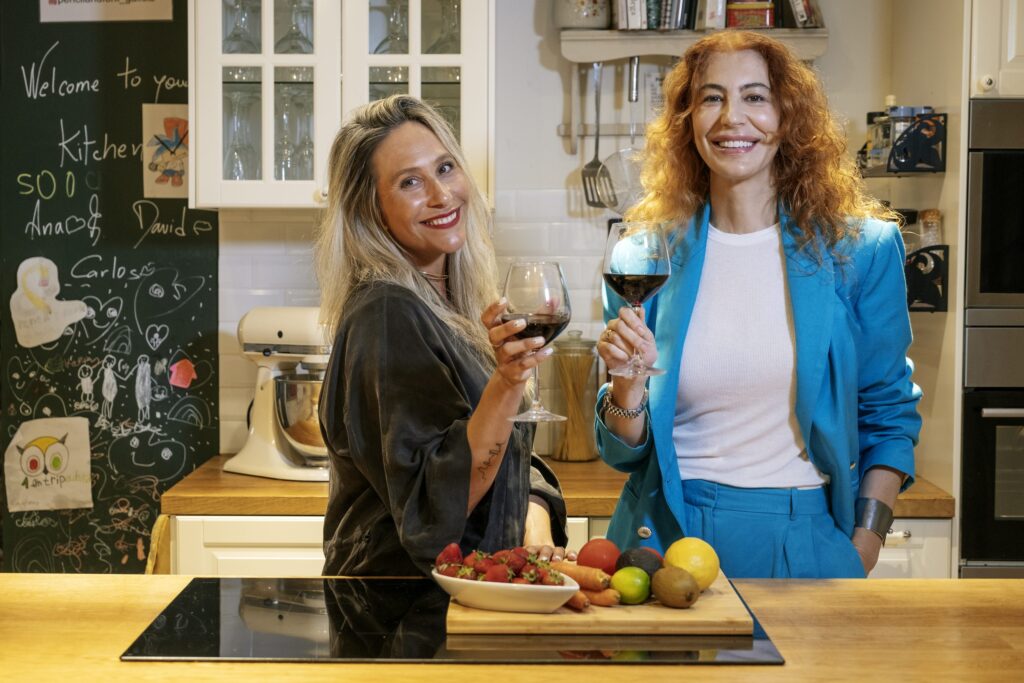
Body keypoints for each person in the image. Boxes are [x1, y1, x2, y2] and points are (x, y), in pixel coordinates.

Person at [595, 31, 922, 579]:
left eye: (755, 96)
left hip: (803, 537)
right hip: (665, 538)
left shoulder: (860, 252)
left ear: (787, 115)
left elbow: (888, 415)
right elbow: (624, 453)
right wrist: (626, 389)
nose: (731, 118)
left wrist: (864, 544)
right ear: (688, 120)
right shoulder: (644, 258)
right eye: (712, 97)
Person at [315, 95, 569, 577]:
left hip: (469, 598)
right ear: (370, 207)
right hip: (399, 618)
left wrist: (534, 526)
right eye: (410, 182)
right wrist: (508, 383)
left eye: (446, 168)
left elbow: (508, 454)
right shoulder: (388, 312)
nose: (441, 194)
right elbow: (436, 512)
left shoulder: (452, 303)